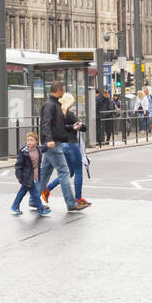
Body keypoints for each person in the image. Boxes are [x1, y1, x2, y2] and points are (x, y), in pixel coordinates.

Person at [37, 82, 90, 213]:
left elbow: (58, 126)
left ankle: (34, 200)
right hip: (53, 143)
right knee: (64, 172)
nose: (64, 92)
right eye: (63, 90)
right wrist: (49, 139)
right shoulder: (50, 105)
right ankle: (71, 203)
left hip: (55, 142)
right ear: (59, 90)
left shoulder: (55, 105)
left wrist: (71, 128)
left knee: (44, 172)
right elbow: (46, 124)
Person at [57, 90, 89, 206]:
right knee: (78, 171)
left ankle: (47, 188)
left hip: (62, 146)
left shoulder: (57, 114)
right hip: (72, 145)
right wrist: (77, 126)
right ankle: (78, 198)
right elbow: (83, 127)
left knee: (68, 172)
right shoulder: (69, 114)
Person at [10, 131, 50, 216]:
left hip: (33, 175)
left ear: (36, 141)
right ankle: (40, 209)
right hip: (26, 176)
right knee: (34, 192)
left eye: (31, 140)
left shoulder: (38, 149)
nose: (29, 142)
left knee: (23, 191)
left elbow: (44, 148)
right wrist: (19, 176)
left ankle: (15, 206)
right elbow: (18, 165)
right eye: (28, 140)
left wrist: (49, 145)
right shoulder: (24, 152)